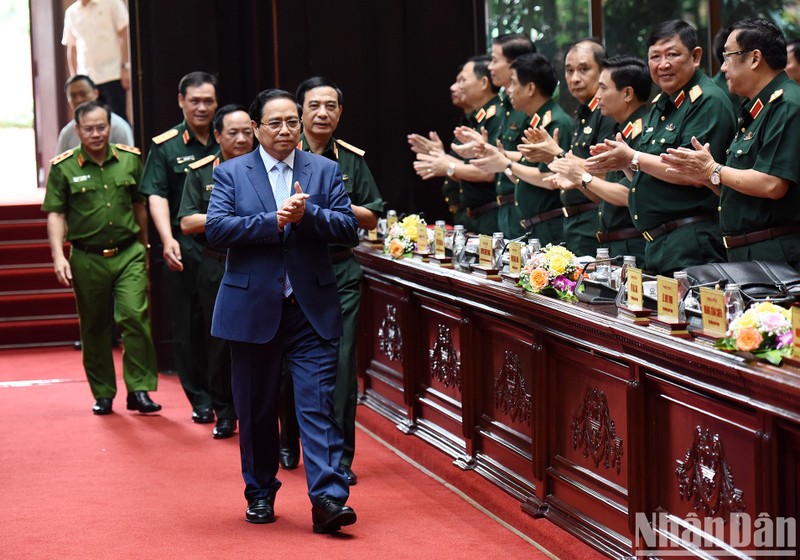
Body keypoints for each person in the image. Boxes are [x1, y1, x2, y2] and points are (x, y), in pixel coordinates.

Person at [206, 89, 358, 532]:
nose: (286, 130)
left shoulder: (325, 169)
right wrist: (273, 220)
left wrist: (305, 218)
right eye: (275, 123)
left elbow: (347, 227)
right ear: (255, 128)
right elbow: (217, 230)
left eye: (292, 121)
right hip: (252, 308)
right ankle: (259, 492)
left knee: (317, 405)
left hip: (309, 308)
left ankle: (328, 499)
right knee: (255, 409)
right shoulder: (233, 172)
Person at [276, 76, 384, 485]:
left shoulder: (351, 159)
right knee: (286, 362)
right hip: (290, 270)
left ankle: (340, 458)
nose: (323, 113)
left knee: (340, 368)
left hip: (338, 269)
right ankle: (289, 438)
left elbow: (372, 214)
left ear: (341, 113)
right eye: (314, 106)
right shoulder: (283, 151)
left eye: (331, 106)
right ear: (299, 112)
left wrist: (326, 207)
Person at [586, 20, 735, 275]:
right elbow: (648, 174)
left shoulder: (707, 101)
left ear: (696, 56)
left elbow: (692, 174)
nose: (663, 64)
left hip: (691, 239)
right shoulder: (662, 104)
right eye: (655, 56)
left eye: (672, 54)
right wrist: (626, 164)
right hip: (658, 242)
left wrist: (633, 157)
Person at [42, 100, 160, 415]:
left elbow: (140, 207)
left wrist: (146, 249)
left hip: (127, 253)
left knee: (134, 317)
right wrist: (58, 256)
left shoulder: (130, 160)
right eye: (89, 128)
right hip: (86, 256)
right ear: (77, 130)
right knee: (94, 325)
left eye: (101, 127)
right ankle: (103, 392)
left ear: (110, 126)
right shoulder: (63, 166)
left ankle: (139, 390)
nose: (96, 134)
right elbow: (56, 213)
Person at [661, 18, 800, 271]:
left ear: (755, 58)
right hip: (747, 253)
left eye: (728, 57)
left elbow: (772, 184)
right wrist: (705, 176)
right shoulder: (755, 109)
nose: (723, 68)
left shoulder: (787, 104)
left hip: (775, 253)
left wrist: (712, 170)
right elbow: (741, 188)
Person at [140, 72, 219, 424]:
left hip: (225, 246)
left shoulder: (228, 137)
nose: (202, 107)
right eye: (195, 101)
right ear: (181, 101)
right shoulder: (167, 145)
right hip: (183, 245)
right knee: (188, 325)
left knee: (222, 323)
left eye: (209, 101)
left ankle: (226, 395)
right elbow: (156, 194)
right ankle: (200, 398)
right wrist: (166, 240)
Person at [177, 104, 253, 439]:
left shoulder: (267, 168)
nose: (240, 139)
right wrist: (229, 220)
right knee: (219, 341)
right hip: (216, 263)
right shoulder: (202, 171)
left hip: (257, 262)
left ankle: (259, 410)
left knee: (260, 340)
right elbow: (188, 221)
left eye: (246, 132)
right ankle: (225, 411)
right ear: (218, 135)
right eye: (232, 133)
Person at [516, 39, 617, 256]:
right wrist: (549, 157)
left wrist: (556, 155)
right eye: (569, 71)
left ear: (602, 70)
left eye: (584, 69)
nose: (574, 78)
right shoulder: (583, 115)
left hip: (594, 223)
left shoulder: (606, 113)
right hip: (574, 224)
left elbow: (607, 173)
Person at [549, 56, 650, 264]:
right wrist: (579, 182)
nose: (598, 96)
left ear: (628, 94)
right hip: (612, 244)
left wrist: (583, 177)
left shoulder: (642, 130)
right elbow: (604, 194)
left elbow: (627, 194)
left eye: (603, 88)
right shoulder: (621, 130)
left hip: (632, 245)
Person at [469, 52, 571, 245]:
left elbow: (550, 180)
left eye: (514, 83)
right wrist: (499, 157)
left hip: (550, 225)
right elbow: (522, 176)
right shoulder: (535, 122)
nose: (508, 90)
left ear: (531, 88)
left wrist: (506, 163)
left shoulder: (557, 122)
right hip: (533, 224)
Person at [453, 33, 536, 238]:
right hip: (505, 209)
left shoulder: (526, 108)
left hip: (524, 208)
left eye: (495, 60)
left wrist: (447, 165)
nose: (490, 67)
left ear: (515, 64)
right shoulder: (506, 107)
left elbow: (534, 160)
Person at [412, 56, 503, 234]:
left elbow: (489, 171)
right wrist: (442, 158)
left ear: (484, 83)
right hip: (471, 215)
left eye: (462, 80)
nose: (455, 87)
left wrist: (447, 165)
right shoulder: (476, 119)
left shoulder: (496, 116)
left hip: (491, 215)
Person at [62, 0, 130, 121]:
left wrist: (125, 67)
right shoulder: (71, 12)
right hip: (87, 79)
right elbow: (71, 48)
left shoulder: (112, 3)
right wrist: (75, 78)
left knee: (117, 119)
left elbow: (125, 35)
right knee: (88, 120)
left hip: (112, 74)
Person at [56, 75, 133, 155]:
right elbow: (59, 166)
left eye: (83, 94)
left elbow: (129, 162)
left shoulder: (118, 126)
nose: (78, 100)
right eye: (73, 96)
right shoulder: (67, 133)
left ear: (96, 93)